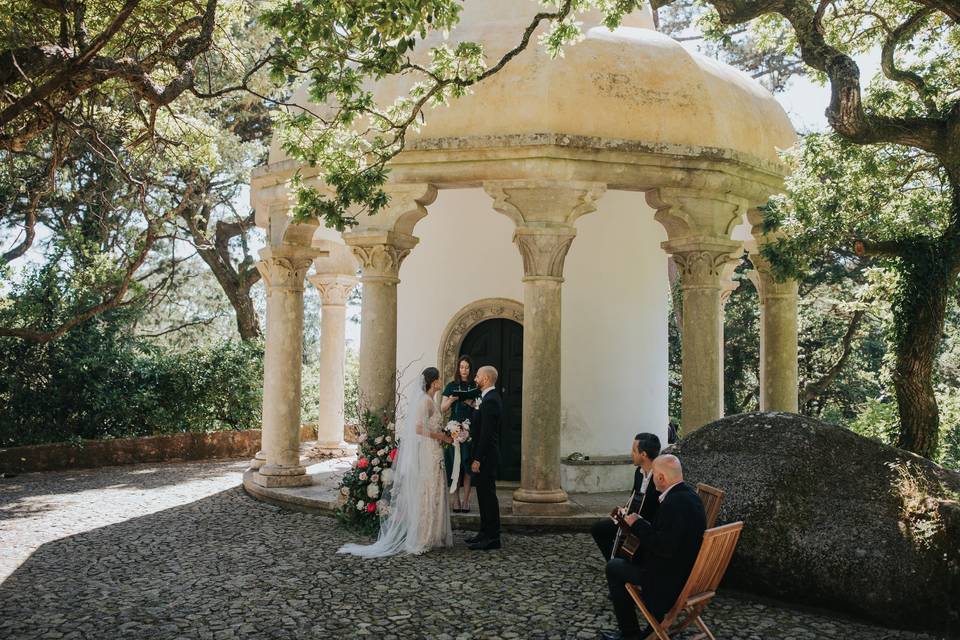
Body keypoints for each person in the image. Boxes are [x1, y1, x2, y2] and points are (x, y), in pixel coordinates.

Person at [338, 367, 454, 557]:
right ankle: (424, 537)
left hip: (434, 451)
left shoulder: (431, 401)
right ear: (434, 382)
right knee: (428, 491)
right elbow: (418, 428)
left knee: (434, 490)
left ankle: (432, 534)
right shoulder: (424, 402)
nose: (442, 381)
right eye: (439, 378)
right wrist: (441, 436)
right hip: (429, 450)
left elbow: (433, 418)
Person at [600, 455, 707, 640]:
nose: (652, 479)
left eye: (654, 475)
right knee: (627, 557)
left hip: (669, 580)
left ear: (661, 478)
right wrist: (641, 523)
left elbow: (663, 547)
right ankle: (651, 630)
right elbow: (669, 536)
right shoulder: (690, 496)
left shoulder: (673, 504)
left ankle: (630, 634)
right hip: (688, 572)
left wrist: (637, 525)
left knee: (614, 567)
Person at [590, 432, 661, 562]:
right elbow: (634, 499)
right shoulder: (638, 473)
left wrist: (635, 520)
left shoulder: (660, 477)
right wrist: (623, 511)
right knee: (598, 529)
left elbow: (657, 510)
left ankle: (620, 565)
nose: (631, 453)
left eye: (634, 451)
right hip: (632, 521)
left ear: (643, 455)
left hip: (646, 526)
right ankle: (614, 563)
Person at [466, 365, 502, 551]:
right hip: (482, 455)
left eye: (478, 376)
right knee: (482, 495)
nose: (475, 378)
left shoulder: (491, 400)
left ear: (486, 379)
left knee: (488, 496)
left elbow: (487, 434)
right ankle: (484, 532)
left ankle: (493, 537)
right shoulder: (485, 398)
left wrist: (478, 459)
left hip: (486, 457)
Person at [440, 355, 480, 512]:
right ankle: (455, 500)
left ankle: (466, 500)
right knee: (455, 464)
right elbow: (442, 407)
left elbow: (481, 406)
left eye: (467, 367)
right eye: (462, 367)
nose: (464, 370)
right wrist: (452, 400)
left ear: (471, 369)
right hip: (453, 430)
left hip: (470, 429)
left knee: (467, 466)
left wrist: (472, 403)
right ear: (458, 368)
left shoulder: (475, 386)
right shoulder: (451, 386)